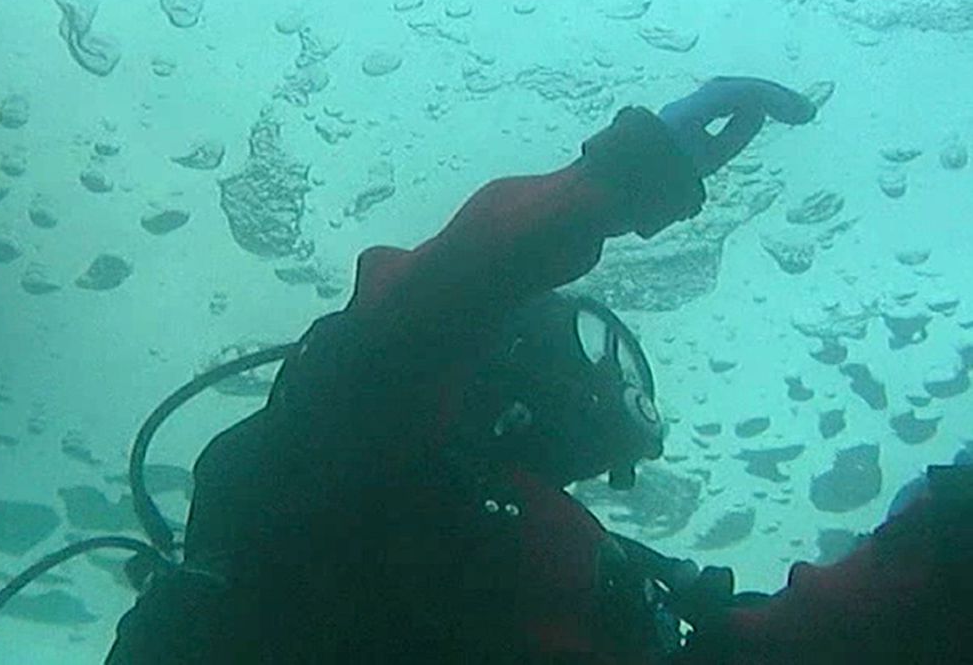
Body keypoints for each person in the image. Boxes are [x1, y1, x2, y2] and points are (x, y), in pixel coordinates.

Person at [103, 76, 970, 664]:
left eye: (935, 536)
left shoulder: (412, 486)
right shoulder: (419, 508)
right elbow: (422, 308)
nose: (918, 496)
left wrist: (625, 177)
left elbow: (430, 296)